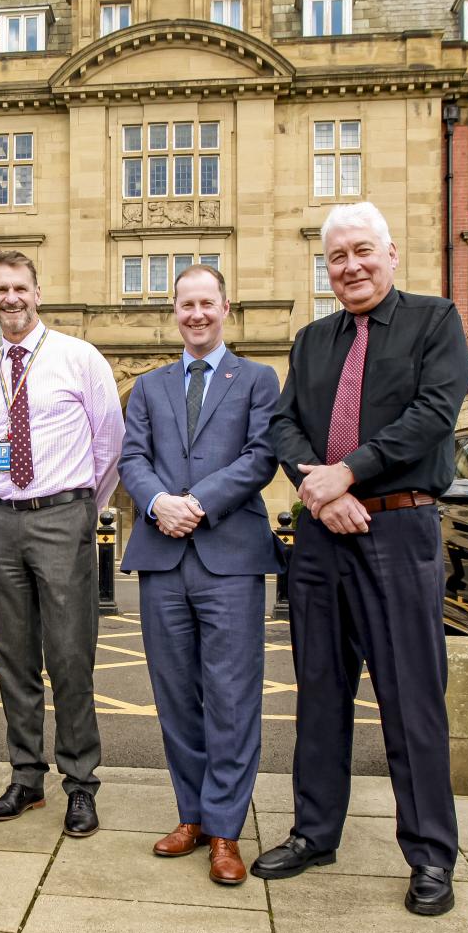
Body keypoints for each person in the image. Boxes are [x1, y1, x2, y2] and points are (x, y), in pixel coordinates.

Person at [255, 201, 468, 916]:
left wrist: (348, 472)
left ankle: (431, 855)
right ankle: (315, 832)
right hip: (322, 536)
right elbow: (284, 424)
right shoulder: (313, 340)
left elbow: (433, 413)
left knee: (411, 702)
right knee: (319, 692)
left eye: (361, 251)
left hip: (399, 530)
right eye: (337, 257)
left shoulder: (435, 321)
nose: (350, 266)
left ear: (391, 252)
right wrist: (320, 490)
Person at [117, 265, 281, 886]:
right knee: (176, 697)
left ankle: (225, 830)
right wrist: (159, 503)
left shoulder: (258, 379)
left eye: (206, 303)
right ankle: (190, 814)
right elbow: (132, 457)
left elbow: (261, 457)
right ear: (175, 311)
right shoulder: (152, 386)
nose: (196, 314)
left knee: (233, 699)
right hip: (162, 557)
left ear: (225, 307)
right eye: (186, 305)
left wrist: (199, 502)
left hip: (230, 558)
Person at [0, 250, 124, 838]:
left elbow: (110, 442)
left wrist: (84, 508)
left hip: (64, 515)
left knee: (69, 655)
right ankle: (26, 778)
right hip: (3, 519)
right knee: (12, 656)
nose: (11, 298)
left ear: (38, 292)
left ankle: (80, 784)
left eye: (20, 288)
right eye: (0, 289)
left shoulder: (78, 358)